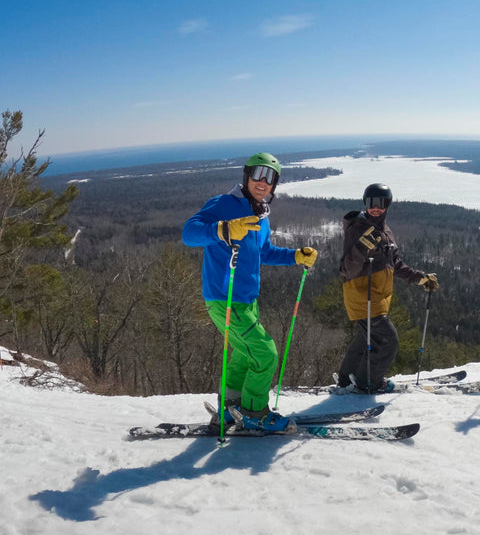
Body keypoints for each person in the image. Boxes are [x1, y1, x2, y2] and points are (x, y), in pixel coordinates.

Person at [182, 153, 318, 432]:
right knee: (265, 353)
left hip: (246, 300)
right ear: (246, 176)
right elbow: (189, 233)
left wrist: (296, 256)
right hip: (224, 297)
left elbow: (263, 252)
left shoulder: (261, 215)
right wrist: (223, 229)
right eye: (258, 173)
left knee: (245, 355)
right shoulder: (223, 204)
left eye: (270, 178)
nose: (263, 181)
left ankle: (230, 409)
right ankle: (255, 412)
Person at [335, 183, 438, 393]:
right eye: (371, 203)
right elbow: (346, 269)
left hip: (377, 296)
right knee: (387, 340)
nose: (376, 208)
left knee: (367, 337)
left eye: (381, 203)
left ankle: (347, 378)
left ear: (387, 205)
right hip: (362, 296)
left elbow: (395, 263)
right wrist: (362, 248)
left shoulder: (385, 230)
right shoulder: (357, 229)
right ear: (365, 203)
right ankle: (368, 382)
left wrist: (420, 278)